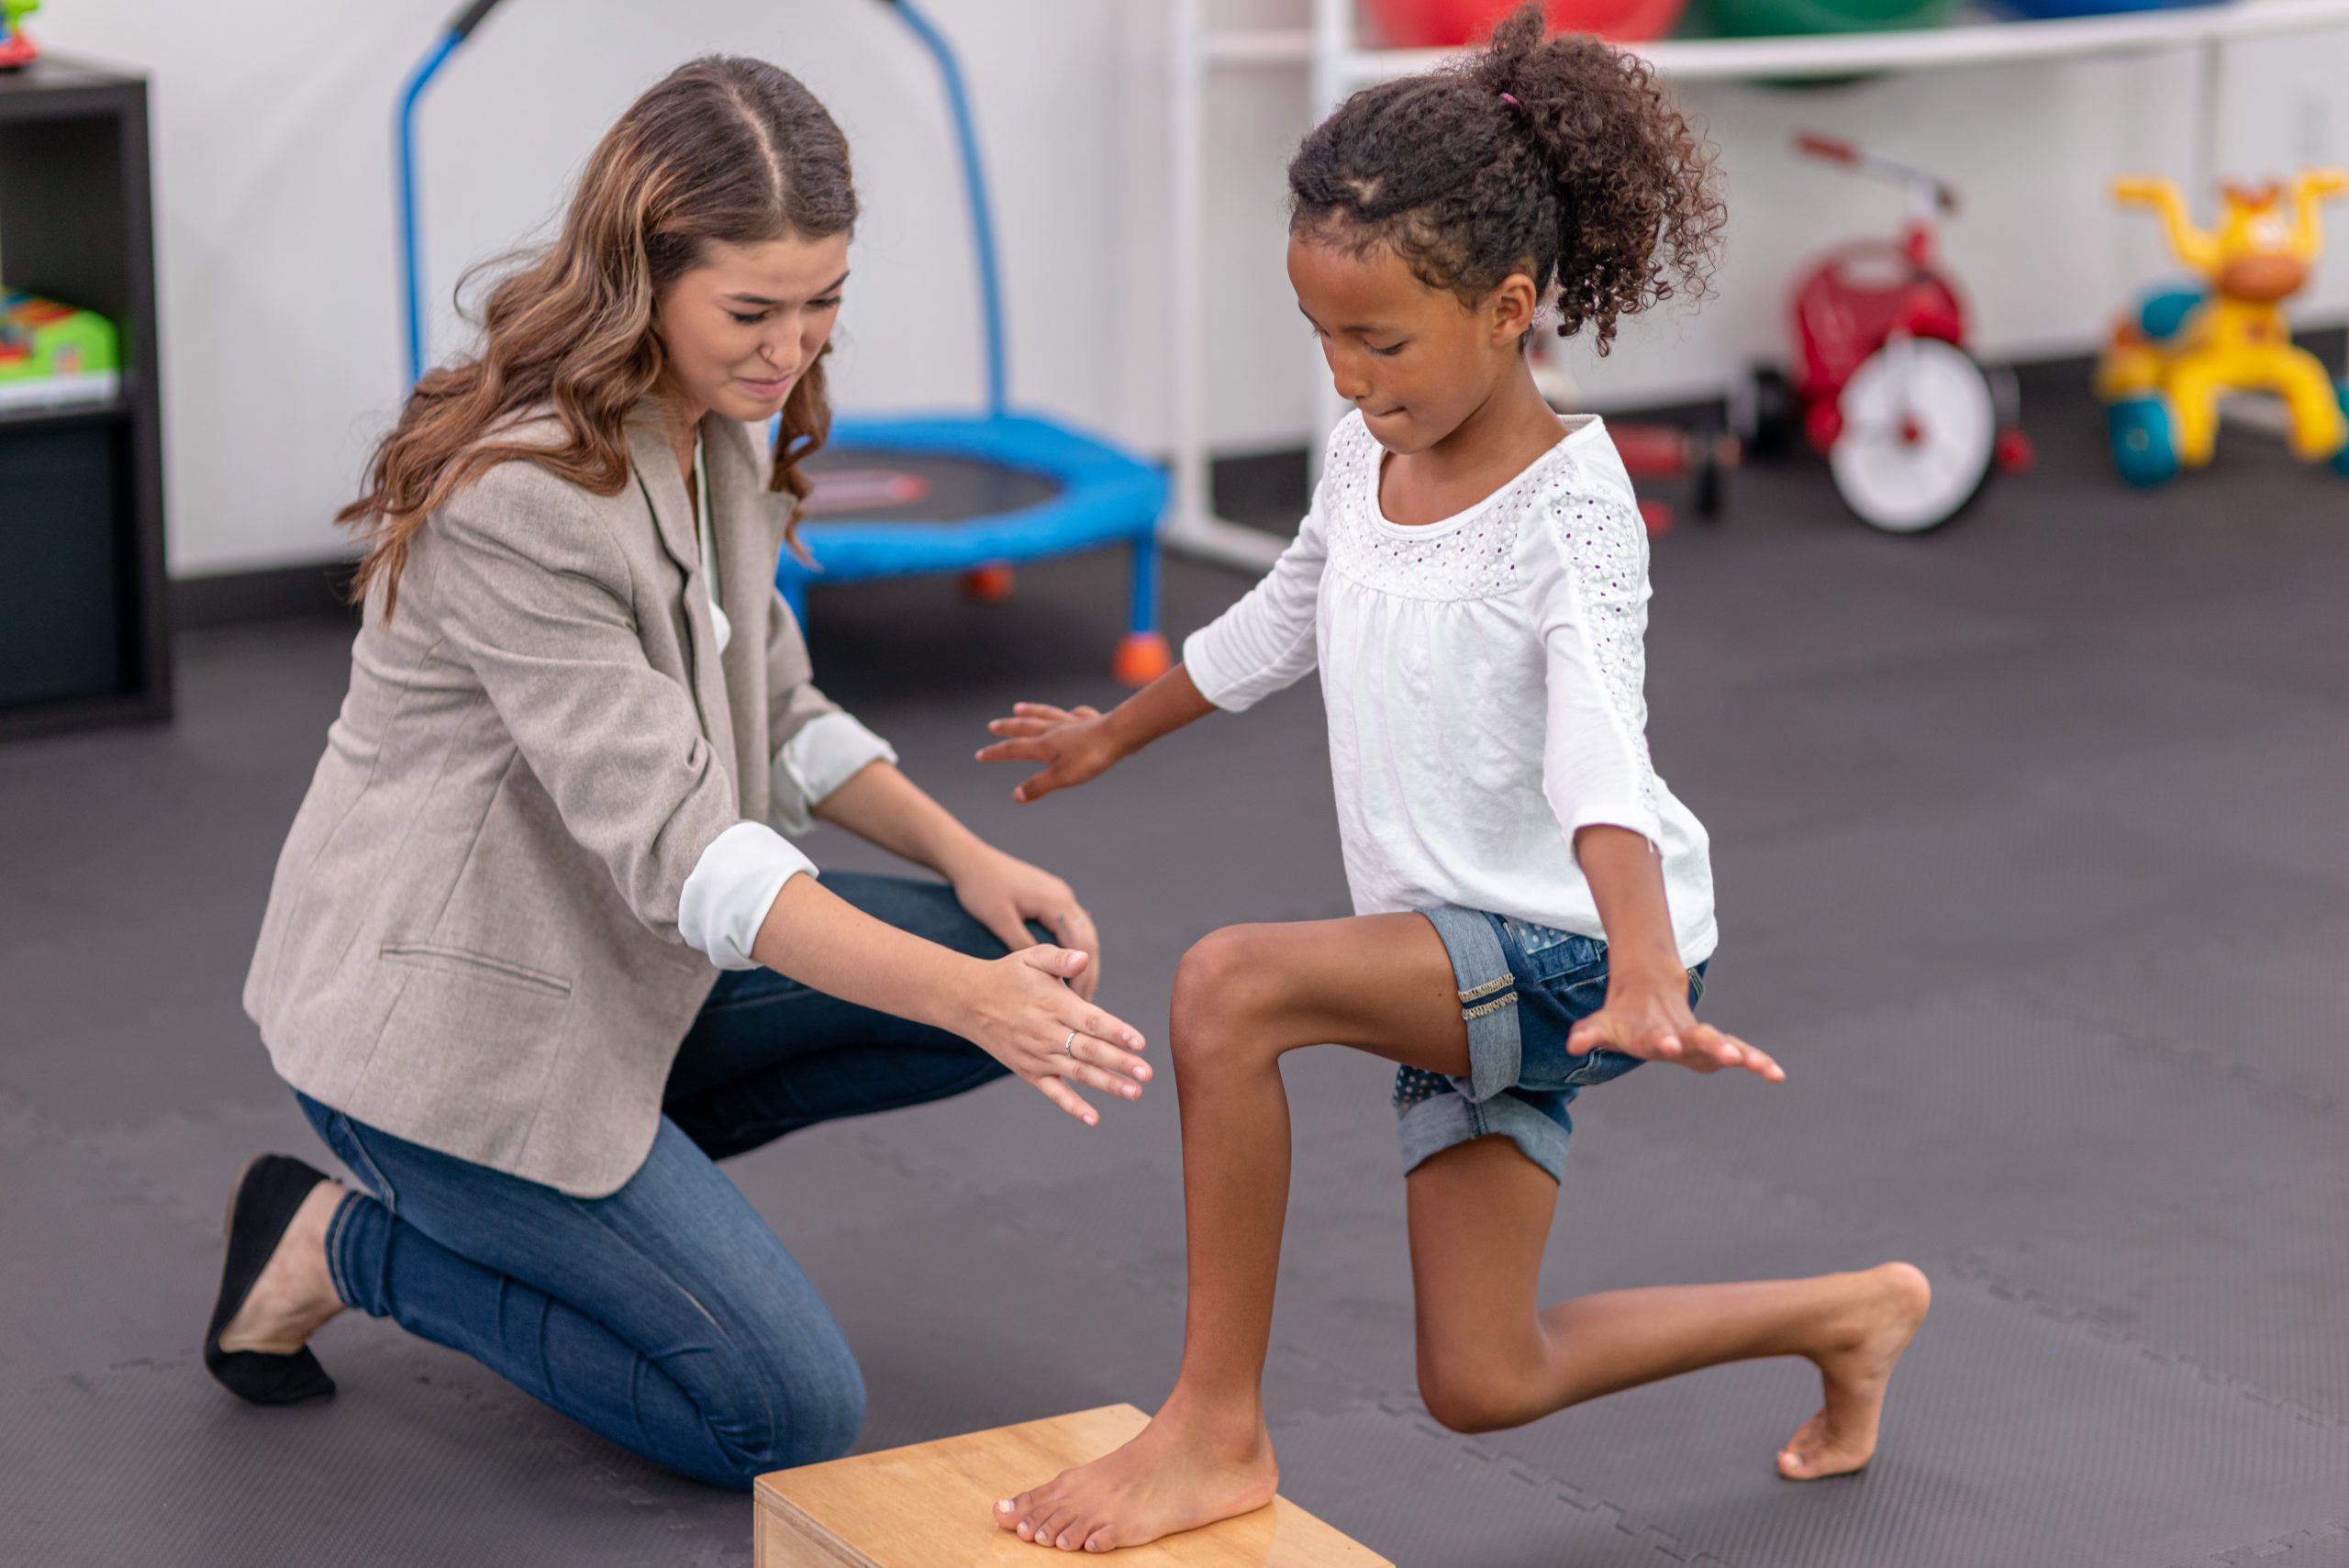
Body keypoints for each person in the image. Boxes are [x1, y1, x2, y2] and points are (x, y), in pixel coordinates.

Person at [978, 10, 1929, 1551]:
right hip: (1461, 942)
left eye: (1384, 341)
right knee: (1486, 1377)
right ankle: (1851, 1314)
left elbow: (1600, 754)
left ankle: (1214, 1426)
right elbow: (1290, 606)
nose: (1352, 381)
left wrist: (1638, 968)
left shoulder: (1575, 515)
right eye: (1326, 341)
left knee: (1230, 986)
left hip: (1577, 946)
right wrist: (1113, 731)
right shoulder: (1376, 450)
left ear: (1508, 307)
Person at [201, 56, 1152, 1492]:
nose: (792, 346)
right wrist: (962, 995)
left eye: (824, 299)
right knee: (782, 1417)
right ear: (644, 280)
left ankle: (579, 1208)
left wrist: (967, 860)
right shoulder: (523, 494)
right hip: (448, 1037)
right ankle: (345, 1238)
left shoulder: (714, 425)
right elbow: (687, 850)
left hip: (611, 973)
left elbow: (774, 710)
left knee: (1001, 955)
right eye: (753, 310)